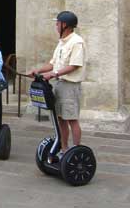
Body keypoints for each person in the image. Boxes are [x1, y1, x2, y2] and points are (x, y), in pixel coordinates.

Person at [28, 11, 86, 158]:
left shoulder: (77, 42)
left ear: (64, 25)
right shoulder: (61, 42)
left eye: (57, 23)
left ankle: (76, 152)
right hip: (60, 84)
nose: (56, 25)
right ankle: (64, 149)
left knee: (71, 119)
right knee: (60, 118)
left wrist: (54, 74)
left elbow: (74, 65)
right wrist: (38, 70)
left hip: (70, 86)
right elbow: (53, 64)